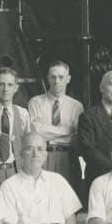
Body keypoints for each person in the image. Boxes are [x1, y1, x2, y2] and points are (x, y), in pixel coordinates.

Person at [26, 60, 84, 198]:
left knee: (67, 199)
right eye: (53, 77)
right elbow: (35, 131)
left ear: (68, 79)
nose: (56, 81)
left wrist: (46, 131)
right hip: (42, 155)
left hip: (68, 158)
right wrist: (65, 131)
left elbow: (76, 136)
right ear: (48, 78)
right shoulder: (35, 102)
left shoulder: (76, 106)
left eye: (61, 77)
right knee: (41, 198)